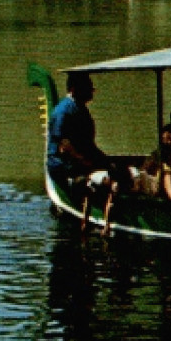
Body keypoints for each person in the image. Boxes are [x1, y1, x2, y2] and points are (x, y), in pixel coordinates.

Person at [47, 72, 111, 229]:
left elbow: (88, 144)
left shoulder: (80, 108)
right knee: (98, 180)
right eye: (87, 89)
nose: (91, 93)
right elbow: (64, 146)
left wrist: (105, 161)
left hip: (80, 160)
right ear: (75, 89)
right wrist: (86, 163)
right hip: (64, 166)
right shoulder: (64, 111)